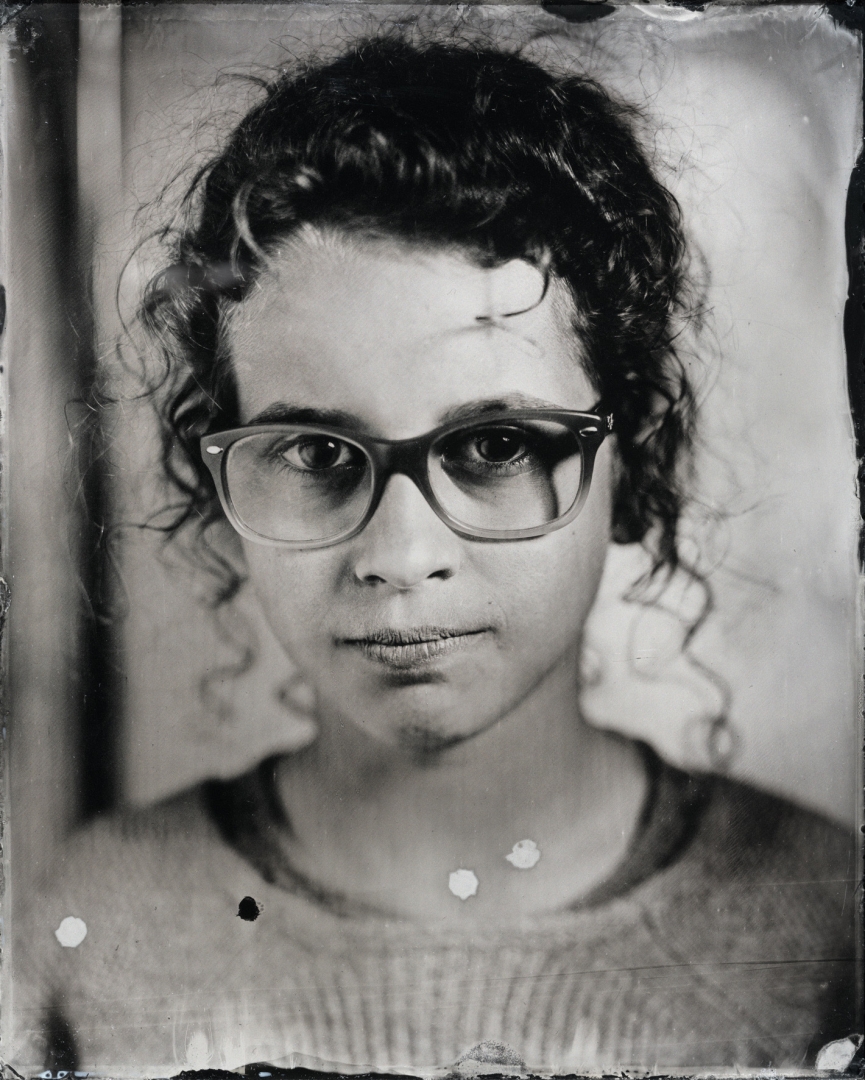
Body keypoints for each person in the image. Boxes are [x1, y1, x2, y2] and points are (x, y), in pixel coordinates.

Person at [12, 33, 857, 1076]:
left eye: (496, 446)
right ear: (221, 478)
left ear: (630, 462)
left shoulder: (828, 927)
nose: (402, 556)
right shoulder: (89, 936)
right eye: (316, 453)